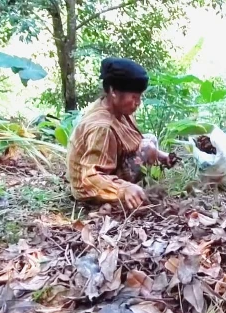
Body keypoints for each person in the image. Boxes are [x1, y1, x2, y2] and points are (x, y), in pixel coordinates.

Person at [66, 57, 178, 209]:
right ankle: (124, 196)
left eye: (139, 97)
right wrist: (123, 189)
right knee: (147, 148)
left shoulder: (119, 110)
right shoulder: (102, 128)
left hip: (110, 166)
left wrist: (161, 156)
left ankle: (136, 188)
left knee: (149, 140)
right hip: (89, 189)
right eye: (134, 97)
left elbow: (133, 141)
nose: (138, 103)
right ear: (113, 91)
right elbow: (90, 177)